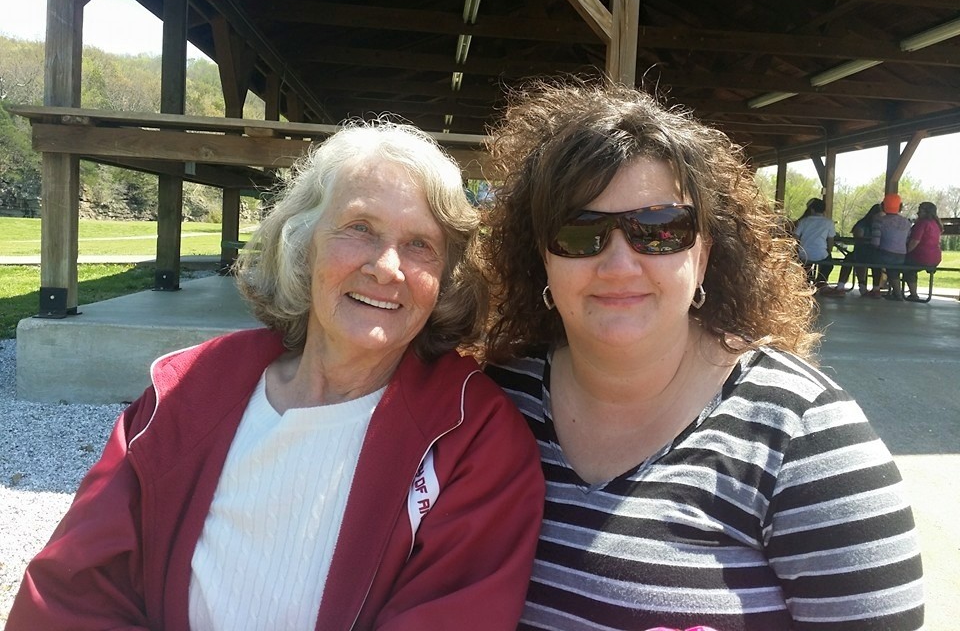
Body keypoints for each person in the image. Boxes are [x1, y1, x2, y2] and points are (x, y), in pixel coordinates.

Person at [8, 120, 545, 631]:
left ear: (445, 278)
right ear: (302, 243)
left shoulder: (474, 438)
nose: (386, 266)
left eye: (419, 245)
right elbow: (69, 596)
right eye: (360, 228)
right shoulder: (192, 388)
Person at [480, 80, 924, 631]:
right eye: (578, 230)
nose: (619, 265)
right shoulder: (490, 406)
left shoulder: (807, 441)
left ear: (704, 253)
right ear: (542, 257)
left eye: (660, 229)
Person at [792, 197, 840, 294]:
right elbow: (830, 240)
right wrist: (829, 250)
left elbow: (795, 237)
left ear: (812, 209)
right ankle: (820, 283)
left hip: (804, 253)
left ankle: (806, 282)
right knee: (829, 265)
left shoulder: (804, 221)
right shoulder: (829, 222)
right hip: (821, 254)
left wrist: (796, 250)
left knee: (805, 265)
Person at [833, 202, 883, 295]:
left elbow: (858, 235)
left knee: (853, 258)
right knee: (853, 257)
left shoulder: (878, 224)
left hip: (870, 253)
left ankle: (871, 288)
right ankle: (865, 287)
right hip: (864, 251)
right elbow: (858, 236)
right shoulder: (864, 224)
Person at [871, 192, 913, 300]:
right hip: (901, 256)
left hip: (885, 255)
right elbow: (908, 240)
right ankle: (896, 293)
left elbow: (875, 243)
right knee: (893, 268)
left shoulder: (879, 221)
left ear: (882, 205)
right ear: (900, 207)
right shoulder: (907, 222)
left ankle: (880, 289)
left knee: (866, 258)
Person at [902, 201, 944, 301]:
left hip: (922, 256)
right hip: (935, 257)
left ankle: (913, 294)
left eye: (920, 210)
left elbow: (914, 242)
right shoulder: (936, 224)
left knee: (904, 266)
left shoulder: (922, 224)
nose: (917, 213)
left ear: (926, 212)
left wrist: (905, 252)